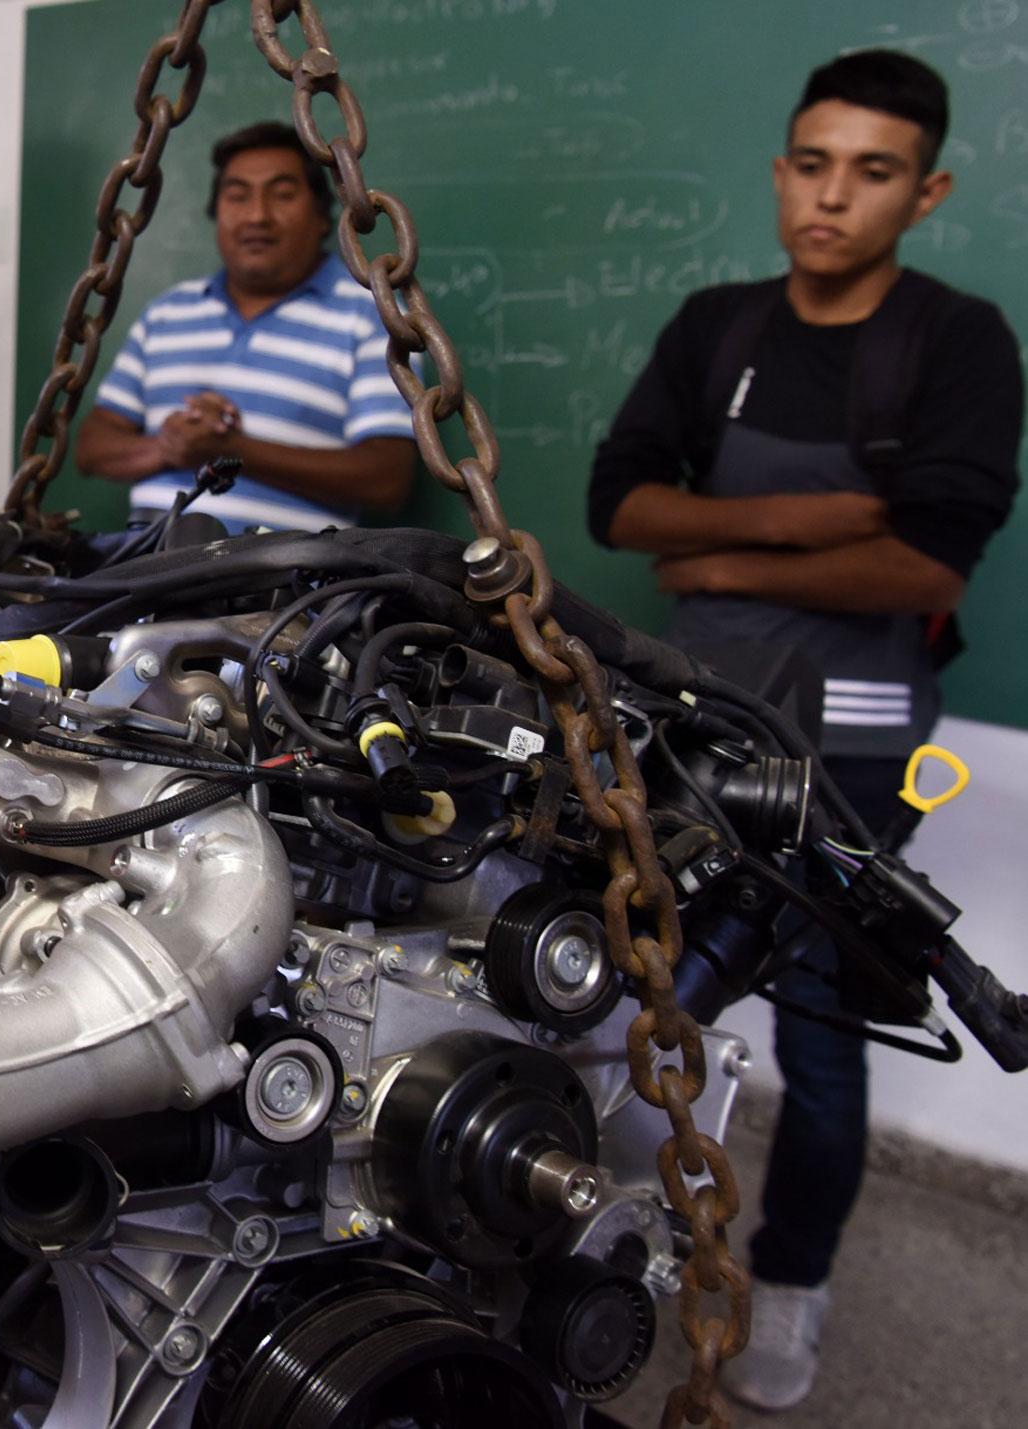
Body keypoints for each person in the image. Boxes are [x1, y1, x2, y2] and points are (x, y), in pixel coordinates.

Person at [587, 51, 1022, 1412]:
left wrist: (715, 555)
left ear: (927, 188)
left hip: (858, 748)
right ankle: (585, 1224)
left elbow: (927, 573)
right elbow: (621, 507)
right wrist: (802, 526)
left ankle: (790, 1286)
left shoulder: (955, 344)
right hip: (702, 722)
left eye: (874, 172)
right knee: (618, 985)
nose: (834, 198)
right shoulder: (719, 326)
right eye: (814, 163)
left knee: (823, 1028)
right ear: (781, 171)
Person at [74, 120, 415, 533]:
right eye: (237, 196)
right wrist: (170, 446)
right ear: (216, 213)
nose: (257, 216)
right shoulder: (168, 314)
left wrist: (232, 451)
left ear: (323, 217)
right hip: (146, 575)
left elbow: (386, 478)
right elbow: (92, 447)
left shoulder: (366, 313)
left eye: (283, 194)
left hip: (287, 584)